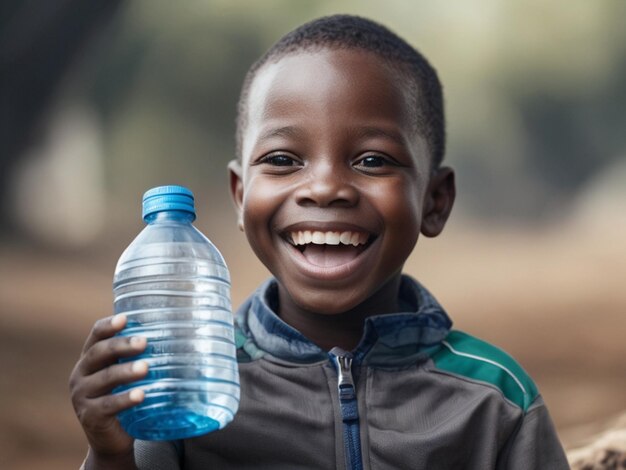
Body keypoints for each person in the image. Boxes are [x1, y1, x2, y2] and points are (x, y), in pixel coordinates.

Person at [70, 14, 570, 469]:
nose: (325, 188)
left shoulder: (494, 400)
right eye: (284, 160)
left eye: (373, 160)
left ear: (435, 200)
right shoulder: (193, 389)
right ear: (241, 196)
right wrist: (110, 452)